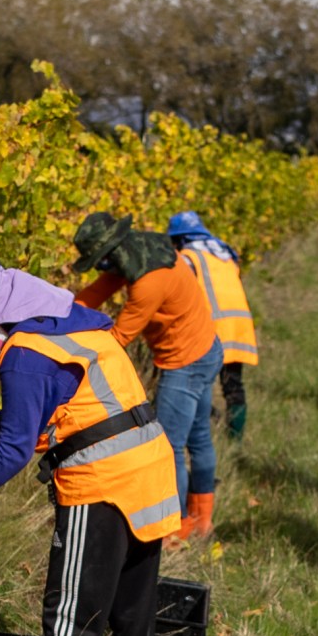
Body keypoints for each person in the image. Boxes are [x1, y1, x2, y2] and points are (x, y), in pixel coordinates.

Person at [0, 254, 182, 636]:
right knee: (132, 609)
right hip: (149, 474)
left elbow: (14, 447)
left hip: (102, 484)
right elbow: (33, 415)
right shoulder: (76, 324)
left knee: (73, 612)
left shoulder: (25, 355)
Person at [72, 212, 223, 548]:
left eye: (101, 261)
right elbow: (95, 292)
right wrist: (60, 311)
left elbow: (118, 338)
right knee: (198, 437)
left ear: (113, 253)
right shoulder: (144, 250)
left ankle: (174, 528)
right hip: (208, 349)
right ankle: (202, 521)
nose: (101, 268)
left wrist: (68, 351)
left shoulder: (147, 282)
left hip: (184, 362)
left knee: (168, 446)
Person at [167, 210, 257, 440]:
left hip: (211, 328)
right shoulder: (225, 254)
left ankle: (198, 434)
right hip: (240, 324)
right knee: (233, 385)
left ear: (180, 238)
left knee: (198, 384)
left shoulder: (188, 257)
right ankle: (235, 438)